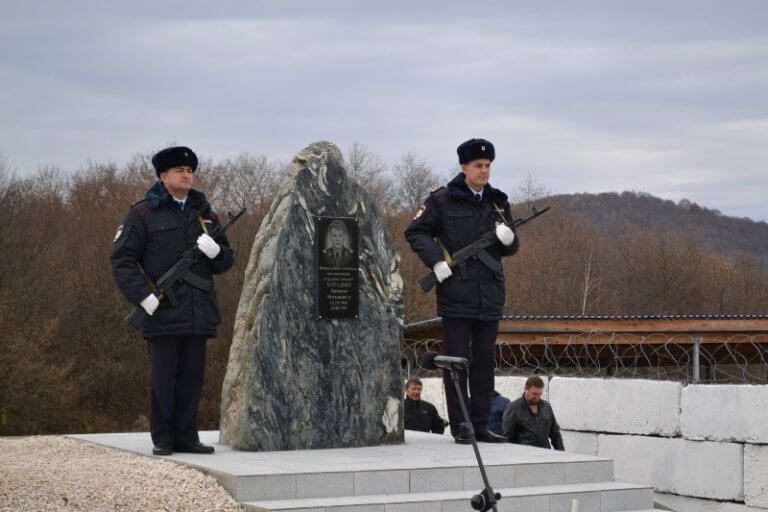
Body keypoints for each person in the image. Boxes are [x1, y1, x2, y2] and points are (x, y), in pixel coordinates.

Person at [111, 146, 234, 456]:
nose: (186, 174)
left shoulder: (204, 213)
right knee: (163, 380)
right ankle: (164, 437)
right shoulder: (143, 213)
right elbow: (122, 259)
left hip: (198, 311)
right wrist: (143, 296)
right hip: (162, 311)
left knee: (192, 380)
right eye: (179, 170)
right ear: (163, 175)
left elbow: (226, 262)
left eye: (190, 170)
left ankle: (187, 436)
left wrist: (216, 252)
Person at [404, 138, 519, 444]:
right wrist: (436, 261)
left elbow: (510, 249)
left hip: (490, 295)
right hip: (456, 293)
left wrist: (508, 239)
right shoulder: (442, 201)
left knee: (484, 362)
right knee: (455, 363)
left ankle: (481, 424)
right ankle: (462, 426)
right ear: (463, 167)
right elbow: (415, 232)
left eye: (488, 166)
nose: (484, 171)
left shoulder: (497, 202)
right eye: (478, 166)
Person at [502, 376, 564, 450]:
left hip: (545, 455)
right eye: (534, 394)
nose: (537, 397)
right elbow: (507, 437)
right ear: (525, 389)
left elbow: (555, 434)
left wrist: (561, 454)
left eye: (539, 394)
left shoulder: (546, 407)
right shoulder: (513, 408)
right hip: (524, 456)